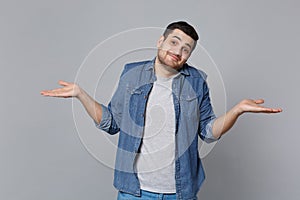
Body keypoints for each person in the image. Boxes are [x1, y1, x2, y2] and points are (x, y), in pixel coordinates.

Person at [41, 21, 282, 200]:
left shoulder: (196, 81)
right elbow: (113, 122)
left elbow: (208, 132)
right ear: (161, 41)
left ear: (189, 55)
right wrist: (81, 95)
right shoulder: (132, 74)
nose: (178, 51)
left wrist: (237, 110)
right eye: (174, 42)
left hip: (180, 192)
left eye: (186, 49)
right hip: (134, 192)